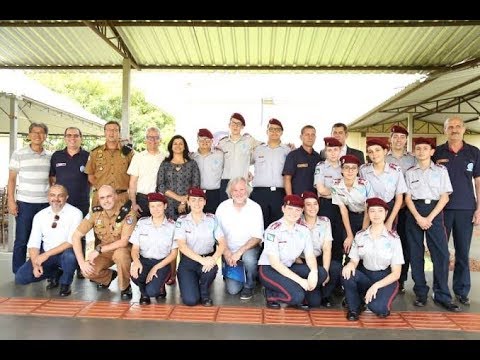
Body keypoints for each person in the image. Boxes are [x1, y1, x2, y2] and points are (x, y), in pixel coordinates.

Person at [405, 138, 461, 312]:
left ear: (432, 151)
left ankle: (443, 294)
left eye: (425, 148)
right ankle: (421, 293)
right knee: (416, 254)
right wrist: (419, 217)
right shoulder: (409, 172)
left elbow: (445, 197)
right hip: (414, 211)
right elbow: (407, 197)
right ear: (414, 152)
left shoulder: (441, 170)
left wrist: (429, 217)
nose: (421, 151)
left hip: (435, 212)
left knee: (441, 255)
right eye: (418, 149)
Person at [432, 116, 480, 306]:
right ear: (445, 130)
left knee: (462, 252)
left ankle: (461, 291)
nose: (454, 129)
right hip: (441, 210)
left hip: (465, 209)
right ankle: (440, 291)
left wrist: (479, 209)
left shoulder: (474, 152)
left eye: (458, 126)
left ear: (464, 129)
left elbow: (478, 182)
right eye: (450, 127)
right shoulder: (437, 152)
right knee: (441, 253)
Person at [258, 194, 328, 309]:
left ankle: (293, 287)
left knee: (322, 273)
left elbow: (310, 255)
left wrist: (314, 272)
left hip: (289, 267)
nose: (293, 213)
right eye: (290, 209)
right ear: (283, 209)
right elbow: (275, 263)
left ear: (301, 212)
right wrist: (301, 281)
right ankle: (270, 294)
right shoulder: (273, 229)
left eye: (297, 210)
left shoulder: (303, 230)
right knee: (297, 297)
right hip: (269, 269)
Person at [341, 197, 404, 321]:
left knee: (379, 309)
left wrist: (376, 286)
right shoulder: (360, 236)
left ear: (386, 214)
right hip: (366, 275)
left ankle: (369, 298)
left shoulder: (393, 239)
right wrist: (350, 265)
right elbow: (354, 260)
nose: (376, 215)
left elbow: (396, 273)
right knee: (346, 273)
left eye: (380, 211)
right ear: (368, 213)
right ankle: (354, 308)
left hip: (385, 278)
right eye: (372, 211)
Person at [14, 185, 83, 297]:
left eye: (60, 196)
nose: (56, 199)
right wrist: (35, 264)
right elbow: (33, 243)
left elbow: (71, 242)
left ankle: (65, 283)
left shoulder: (76, 213)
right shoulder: (40, 216)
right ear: (48, 197)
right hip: (46, 254)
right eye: (52, 195)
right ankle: (55, 272)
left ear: (67, 197)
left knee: (70, 258)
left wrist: (46, 255)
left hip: (65, 253)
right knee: (21, 277)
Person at [71, 185, 136, 300]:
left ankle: (125, 286)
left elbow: (124, 242)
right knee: (87, 271)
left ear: (116, 196)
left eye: (109, 196)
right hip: (105, 251)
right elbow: (76, 236)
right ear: (98, 199)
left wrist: (99, 250)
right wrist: (81, 263)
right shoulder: (95, 213)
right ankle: (108, 277)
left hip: (123, 250)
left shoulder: (128, 213)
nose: (106, 201)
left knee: (120, 255)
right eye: (102, 198)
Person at [156, 134, 200, 285]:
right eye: (175, 143)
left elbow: (196, 186)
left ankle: (186, 274)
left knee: (186, 241)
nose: (178, 146)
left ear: (185, 146)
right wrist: (178, 198)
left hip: (188, 206)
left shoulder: (192, 164)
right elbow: (160, 186)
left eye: (181, 143)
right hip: (168, 206)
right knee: (171, 241)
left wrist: (185, 200)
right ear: (171, 146)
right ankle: (171, 274)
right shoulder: (165, 164)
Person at [8, 122, 51, 274]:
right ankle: (18, 271)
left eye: (41, 132)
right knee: (21, 240)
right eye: (34, 132)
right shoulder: (19, 154)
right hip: (25, 203)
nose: (37, 135)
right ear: (29, 135)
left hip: (46, 205)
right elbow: (12, 179)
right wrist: (11, 201)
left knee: (42, 240)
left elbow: (52, 181)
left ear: (45, 136)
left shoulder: (50, 156)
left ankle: (39, 269)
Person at [50, 126, 90, 279]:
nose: (72, 138)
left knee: (81, 234)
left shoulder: (88, 156)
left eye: (76, 135)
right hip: (60, 203)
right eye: (69, 135)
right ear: (65, 138)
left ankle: (81, 266)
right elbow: (52, 179)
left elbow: (91, 179)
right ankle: (59, 266)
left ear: (81, 138)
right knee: (60, 233)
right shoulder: (56, 156)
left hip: (81, 201)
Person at [175, 187, 226, 306]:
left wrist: (213, 259)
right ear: (188, 202)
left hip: (207, 258)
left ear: (205, 202)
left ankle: (204, 293)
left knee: (210, 270)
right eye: (193, 200)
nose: (196, 203)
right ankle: (189, 286)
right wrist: (202, 260)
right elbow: (181, 246)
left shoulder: (212, 219)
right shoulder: (181, 221)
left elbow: (222, 243)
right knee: (190, 300)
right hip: (188, 261)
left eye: (200, 200)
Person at [216, 177, 263, 300]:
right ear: (230, 192)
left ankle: (250, 284)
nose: (239, 193)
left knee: (249, 259)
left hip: (248, 249)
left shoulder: (255, 208)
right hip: (228, 250)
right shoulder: (222, 207)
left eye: (242, 189)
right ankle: (240, 273)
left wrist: (239, 253)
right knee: (233, 290)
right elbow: (217, 234)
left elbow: (257, 237)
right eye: (235, 190)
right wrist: (226, 252)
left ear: (247, 190)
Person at [130, 192, 177, 305]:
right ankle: (143, 293)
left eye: (159, 206)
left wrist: (155, 267)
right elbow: (135, 248)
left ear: (165, 206)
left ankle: (158, 286)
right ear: (149, 207)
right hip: (144, 261)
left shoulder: (172, 226)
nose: (156, 209)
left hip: (162, 263)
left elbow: (174, 253)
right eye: (152, 206)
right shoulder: (142, 223)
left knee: (152, 292)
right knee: (135, 274)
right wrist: (136, 262)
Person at [386, 125, 416, 293]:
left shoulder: (413, 159)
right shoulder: (384, 157)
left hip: (407, 209)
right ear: (390, 139)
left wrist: (405, 202)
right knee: (385, 242)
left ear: (406, 140)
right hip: (387, 207)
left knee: (404, 244)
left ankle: (401, 280)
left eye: (402, 137)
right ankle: (385, 277)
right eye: (395, 137)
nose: (398, 140)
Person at [300, 191, 341, 307]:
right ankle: (310, 292)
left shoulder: (325, 221)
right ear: (303, 207)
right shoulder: (297, 222)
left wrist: (326, 271)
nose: (312, 207)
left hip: (318, 258)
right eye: (308, 204)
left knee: (335, 268)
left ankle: (325, 295)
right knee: (314, 302)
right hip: (301, 261)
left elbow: (327, 248)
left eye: (315, 204)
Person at [331, 155, 375, 262]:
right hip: (349, 216)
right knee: (348, 245)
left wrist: (363, 232)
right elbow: (343, 210)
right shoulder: (336, 185)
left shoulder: (364, 184)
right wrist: (350, 235)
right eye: (346, 167)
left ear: (357, 170)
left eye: (353, 168)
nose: (350, 171)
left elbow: (369, 209)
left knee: (363, 246)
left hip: (366, 216)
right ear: (341, 170)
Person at [251, 118, 291, 229]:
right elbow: (244, 163)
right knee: (259, 224)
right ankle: (261, 247)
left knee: (278, 225)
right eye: (271, 129)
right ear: (267, 131)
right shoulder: (257, 150)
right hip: (260, 193)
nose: (274, 132)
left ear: (282, 132)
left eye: (277, 129)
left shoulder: (288, 151)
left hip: (279, 194)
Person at [359, 139, 407, 231]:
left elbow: (399, 199)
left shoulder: (395, 171)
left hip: (388, 210)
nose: (374, 154)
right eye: (370, 152)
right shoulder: (363, 170)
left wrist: (390, 221)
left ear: (385, 151)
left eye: (377, 150)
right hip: (369, 211)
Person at [85, 120, 134, 206]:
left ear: (119, 133)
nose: (112, 133)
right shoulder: (95, 153)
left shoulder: (128, 153)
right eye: (109, 130)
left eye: (115, 130)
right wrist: (104, 191)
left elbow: (133, 177)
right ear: (104, 132)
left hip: (121, 198)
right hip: (101, 198)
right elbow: (91, 176)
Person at [217, 112, 261, 202]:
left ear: (242, 127)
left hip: (242, 182)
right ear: (229, 125)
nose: (235, 126)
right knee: (225, 209)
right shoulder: (222, 143)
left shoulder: (249, 140)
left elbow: (265, 147)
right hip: (226, 182)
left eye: (238, 124)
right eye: (233, 123)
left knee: (243, 210)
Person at [314, 137, 343, 263]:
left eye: (335, 150)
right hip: (327, 207)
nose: (332, 153)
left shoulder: (345, 166)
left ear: (340, 150)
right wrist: (340, 192)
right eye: (329, 150)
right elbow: (321, 190)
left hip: (343, 207)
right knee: (324, 240)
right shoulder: (321, 166)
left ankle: (336, 278)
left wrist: (331, 192)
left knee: (339, 240)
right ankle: (322, 274)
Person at [128, 126, 165, 218]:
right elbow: (132, 183)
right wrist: (133, 204)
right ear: (145, 140)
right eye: (150, 137)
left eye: (156, 137)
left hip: (160, 200)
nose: (153, 140)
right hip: (142, 200)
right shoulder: (138, 157)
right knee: (142, 229)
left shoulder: (165, 158)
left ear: (160, 140)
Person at [191, 128, 224, 214]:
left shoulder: (220, 155)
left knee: (214, 218)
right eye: (202, 139)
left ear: (212, 141)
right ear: (197, 141)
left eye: (207, 139)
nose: (205, 142)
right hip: (197, 194)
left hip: (215, 194)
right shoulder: (192, 157)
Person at [283, 125, 321, 195]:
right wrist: (291, 198)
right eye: (307, 134)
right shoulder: (292, 155)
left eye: (313, 135)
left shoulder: (318, 157)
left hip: (314, 201)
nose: (310, 137)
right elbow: (287, 179)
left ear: (315, 137)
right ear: (301, 137)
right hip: (297, 199)